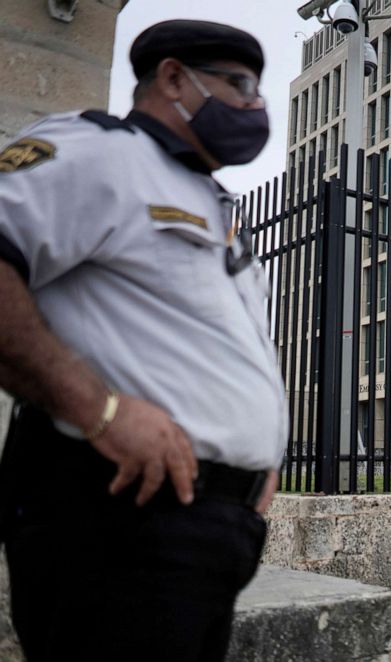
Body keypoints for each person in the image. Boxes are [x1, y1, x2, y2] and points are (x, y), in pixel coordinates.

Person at [0, 20, 287, 662]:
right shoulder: (101, 150)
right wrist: (99, 410)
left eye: (259, 90)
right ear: (174, 78)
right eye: (238, 84)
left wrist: (256, 467)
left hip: (212, 525)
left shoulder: (211, 203)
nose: (255, 104)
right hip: (119, 511)